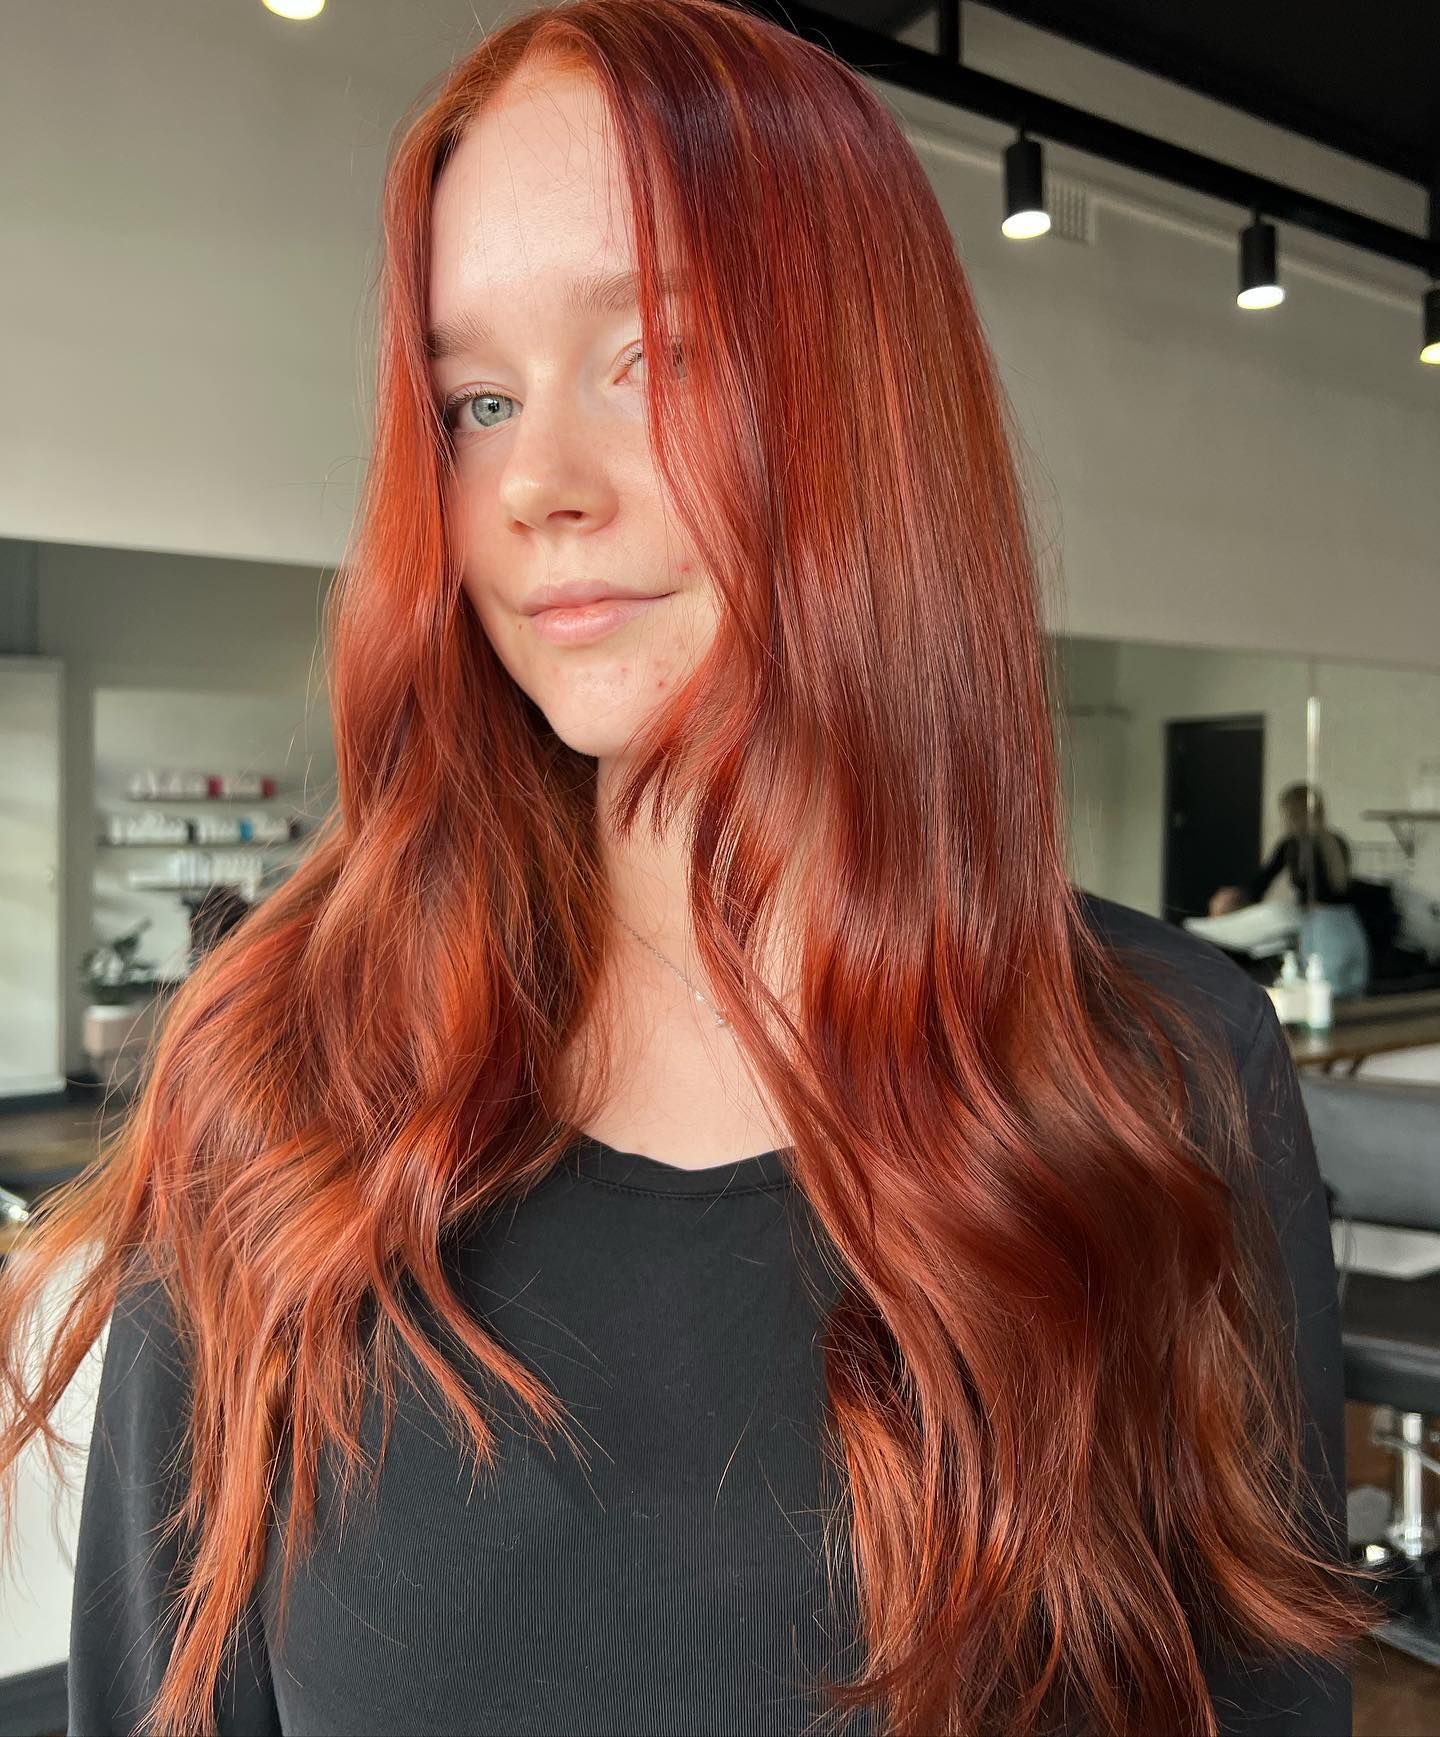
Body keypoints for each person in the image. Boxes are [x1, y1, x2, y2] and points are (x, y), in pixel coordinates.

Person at [0, 5, 1381, 1735]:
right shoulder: (282, 1086)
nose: (535, 487)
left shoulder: (1161, 1068)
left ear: (867, 402)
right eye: (475, 401)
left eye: (654, 358)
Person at [1210, 783, 1371, 996]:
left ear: (1291, 813)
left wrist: (1233, 902)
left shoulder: (1294, 845)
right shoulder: (1336, 842)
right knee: (1350, 1000)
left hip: (1320, 929)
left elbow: (1261, 883)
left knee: (1318, 1000)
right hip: (1349, 926)